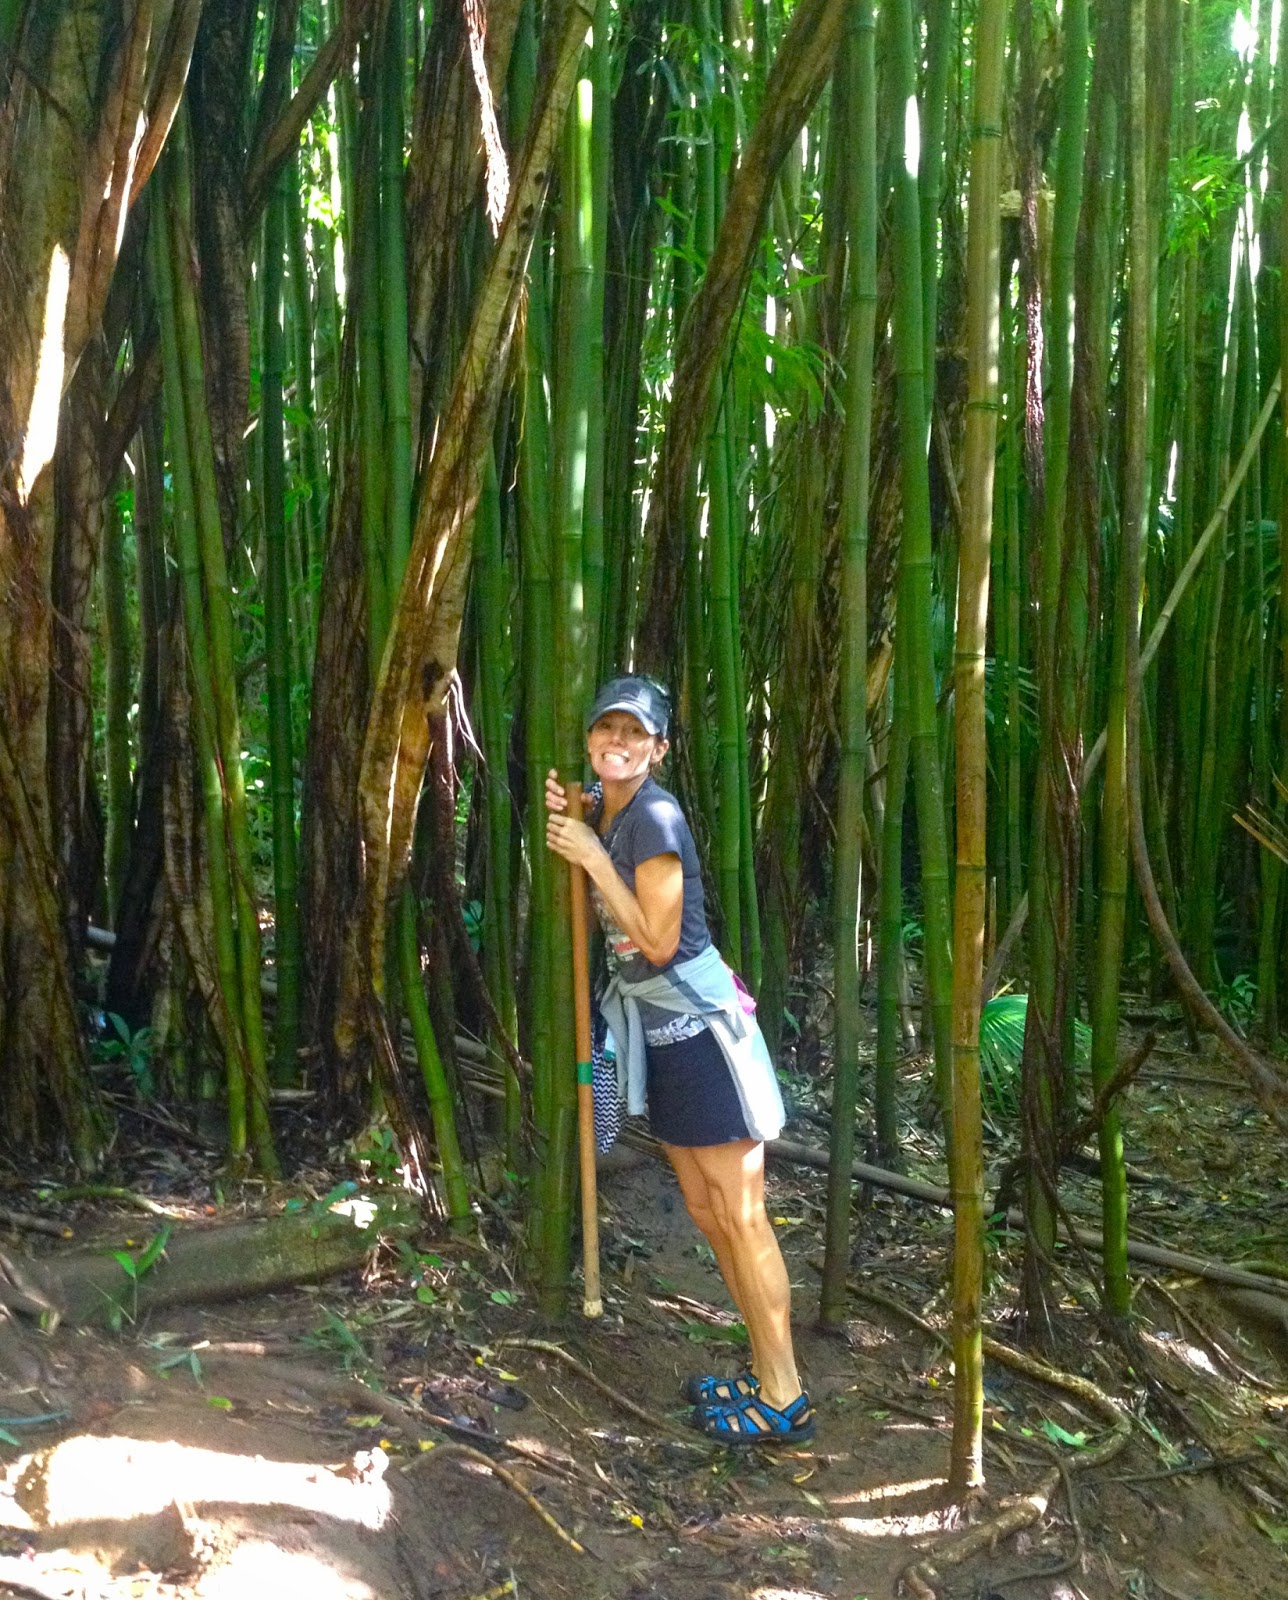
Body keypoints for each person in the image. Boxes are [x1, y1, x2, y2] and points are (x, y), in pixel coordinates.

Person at [545, 674, 813, 1444]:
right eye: (607, 731)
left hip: (699, 1031)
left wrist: (593, 855)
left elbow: (659, 946)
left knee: (740, 1214)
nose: (617, 743)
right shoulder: (618, 808)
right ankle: (765, 1374)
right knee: (706, 1211)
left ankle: (784, 1393)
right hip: (663, 1036)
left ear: (658, 749)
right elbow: (599, 820)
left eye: (635, 734)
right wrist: (587, 816)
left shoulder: (653, 816)